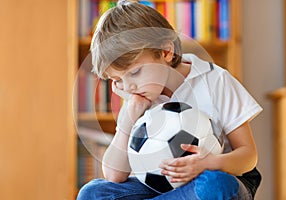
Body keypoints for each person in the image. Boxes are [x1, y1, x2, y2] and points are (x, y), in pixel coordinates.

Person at [77, 0, 263, 199]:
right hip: (161, 187)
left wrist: (208, 163)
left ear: (166, 52)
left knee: (214, 186)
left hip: (217, 177)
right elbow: (114, 175)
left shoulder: (215, 80)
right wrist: (126, 122)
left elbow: (248, 157)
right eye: (117, 81)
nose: (128, 87)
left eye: (135, 72)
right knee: (93, 193)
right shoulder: (137, 97)